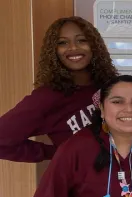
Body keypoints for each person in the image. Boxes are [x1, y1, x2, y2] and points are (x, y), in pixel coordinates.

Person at [0, 16, 117, 162]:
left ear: (94, 45)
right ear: (54, 51)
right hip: (81, 183)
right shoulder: (48, 96)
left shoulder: (111, 86)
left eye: (82, 40)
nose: (73, 47)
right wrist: (54, 153)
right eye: (62, 43)